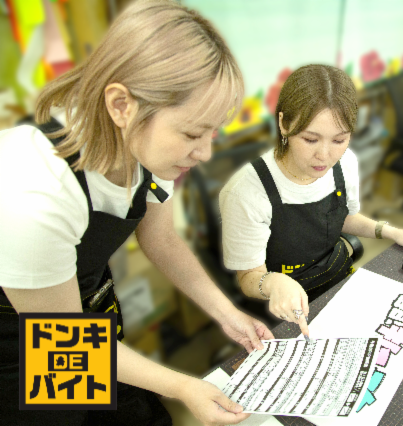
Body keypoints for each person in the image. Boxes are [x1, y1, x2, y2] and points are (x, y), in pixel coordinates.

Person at [0, 1, 274, 425]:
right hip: (23, 342)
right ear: (121, 105)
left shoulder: (143, 146)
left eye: (212, 131)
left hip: (80, 318)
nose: (204, 153)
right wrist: (184, 387)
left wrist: (228, 313)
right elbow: (63, 343)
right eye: (191, 133)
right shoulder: (35, 193)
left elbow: (160, 238)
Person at [219, 64, 403, 338]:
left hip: (333, 277)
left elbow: (342, 217)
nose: (324, 156)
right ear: (284, 124)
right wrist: (274, 283)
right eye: (310, 139)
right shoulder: (246, 192)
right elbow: (248, 277)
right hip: (282, 303)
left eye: (339, 139)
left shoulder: (345, 162)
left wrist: (390, 231)